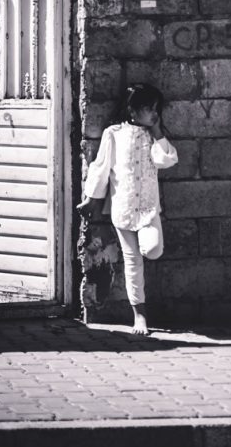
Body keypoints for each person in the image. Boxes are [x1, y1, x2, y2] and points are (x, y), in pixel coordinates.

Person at [78, 83, 178, 335]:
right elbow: (100, 168)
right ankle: (139, 316)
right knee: (133, 263)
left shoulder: (152, 136)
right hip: (123, 209)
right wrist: (91, 199)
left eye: (156, 109)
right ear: (133, 110)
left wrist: (157, 131)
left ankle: (141, 308)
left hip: (148, 210)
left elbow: (166, 160)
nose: (154, 113)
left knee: (152, 250)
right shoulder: (114, 134)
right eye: (149, 109)